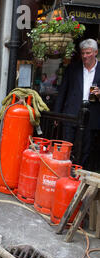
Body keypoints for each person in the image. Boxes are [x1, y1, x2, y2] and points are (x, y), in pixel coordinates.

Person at [53, 39, 100, 170]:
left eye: (88, 53)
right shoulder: (73, 68)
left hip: (92, 114)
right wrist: (58, 115)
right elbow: (62, 91)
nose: (85, 56)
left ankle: (79, 176)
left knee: (86, 148)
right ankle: (65, 173)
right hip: (71, 112)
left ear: (95, 52)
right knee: (68, 145)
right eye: (83, 53)